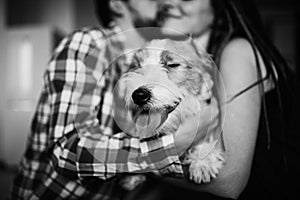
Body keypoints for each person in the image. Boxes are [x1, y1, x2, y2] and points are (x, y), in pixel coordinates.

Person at [9, 0, 217, 199]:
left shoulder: (155, 58)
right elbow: (66, 153)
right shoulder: (90, 43)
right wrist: (174, 144)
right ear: (117, 3)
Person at [129, 0, 295, 199]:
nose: (170, 2)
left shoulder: (237, 51)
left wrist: (133, 163)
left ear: (218, 6)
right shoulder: (192, 59)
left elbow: (229, 181)